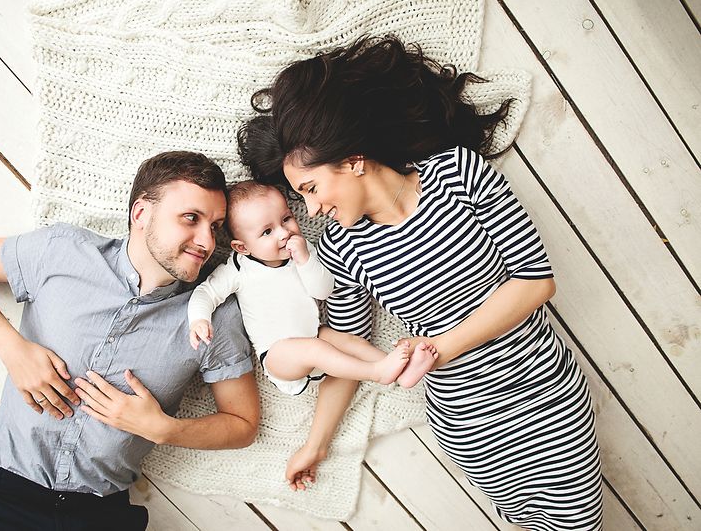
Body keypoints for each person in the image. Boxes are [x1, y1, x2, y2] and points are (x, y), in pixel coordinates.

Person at [237, 36, 603, 529]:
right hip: (466, 431)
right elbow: (348, 345)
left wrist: (442, 347)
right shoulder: (342, 250)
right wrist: (316, 443)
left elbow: (535, 283)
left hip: (545, 402)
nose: (314, 208)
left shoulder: (458, 175)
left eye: (311, 188)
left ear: (351, 159)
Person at [0, 151, 260, 531]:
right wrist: (12, 349)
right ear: (141, 214)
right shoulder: (62, 251)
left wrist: (165, 429)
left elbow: (242, 424)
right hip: (4, 502)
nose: (206, 240)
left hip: (101, 517)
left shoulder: (214, 315)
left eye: (216, 226)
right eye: (191, 218)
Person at [187, 180, 438, 396]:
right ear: (242, 247)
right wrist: (199, 318)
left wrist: (305, 260)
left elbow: (323, 291)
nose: (284, 233)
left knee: (348, 340)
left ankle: (399, 368)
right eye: (267, 231)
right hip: (277, 355)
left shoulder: (303, 252)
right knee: (315, 347)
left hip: (312, 335)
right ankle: (376, 372)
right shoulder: (239, 269)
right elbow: (207, 292)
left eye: (286, 219)